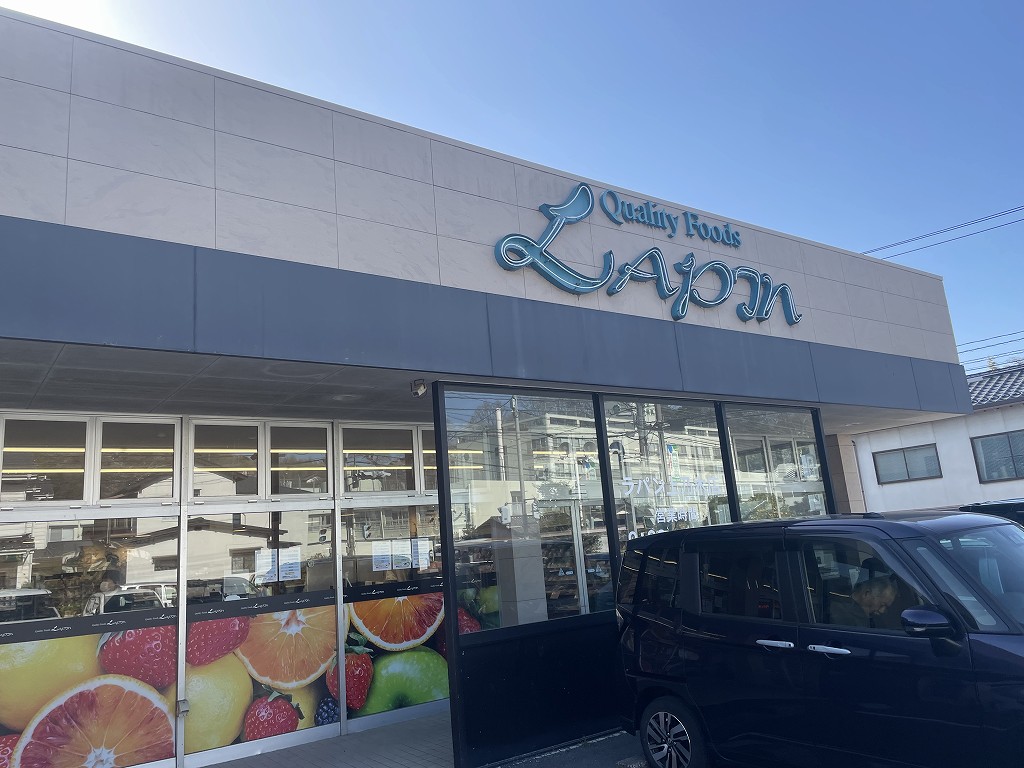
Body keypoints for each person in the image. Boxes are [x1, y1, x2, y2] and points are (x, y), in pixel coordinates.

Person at [830, 558, 900, 628]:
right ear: (867, 593)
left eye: (886, 607)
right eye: (882, 605)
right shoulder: (840, 615)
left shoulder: (874, 617)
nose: (882, 611)